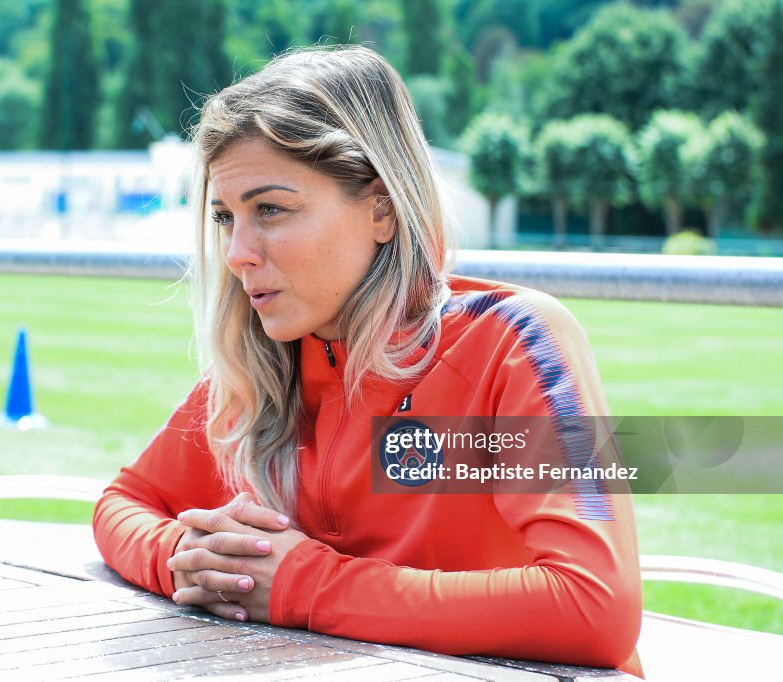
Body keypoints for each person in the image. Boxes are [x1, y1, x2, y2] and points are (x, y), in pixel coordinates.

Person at [93, 45, 643, 677]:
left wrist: (305, 586)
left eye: (270, 209)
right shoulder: (267, 364)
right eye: (225, 217)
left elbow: (595, 607)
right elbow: (124, 501)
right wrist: (187, 556)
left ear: (381, 209)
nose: (239, 252)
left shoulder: (510, 342)